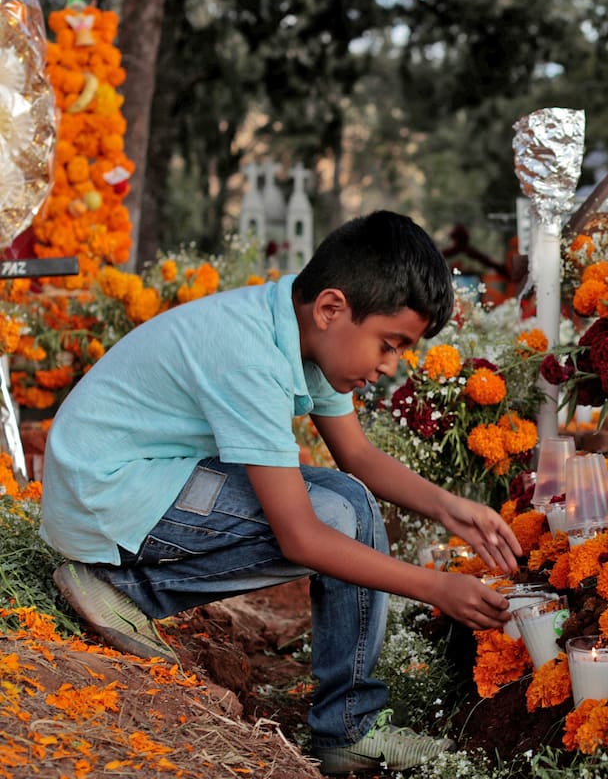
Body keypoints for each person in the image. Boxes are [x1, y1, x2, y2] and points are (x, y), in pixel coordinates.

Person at [39, 210, 521, 775]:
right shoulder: (251, 356)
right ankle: (125, 587)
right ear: (332, 309)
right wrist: (437, 588)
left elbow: (358, 457)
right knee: (335, 516)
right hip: (106, 490)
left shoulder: (302, 327)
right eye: (389, 345)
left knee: (350, 500)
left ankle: (349, 729)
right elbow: (300, 535)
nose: (390, 366)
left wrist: (452, 509)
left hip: (141, 480)